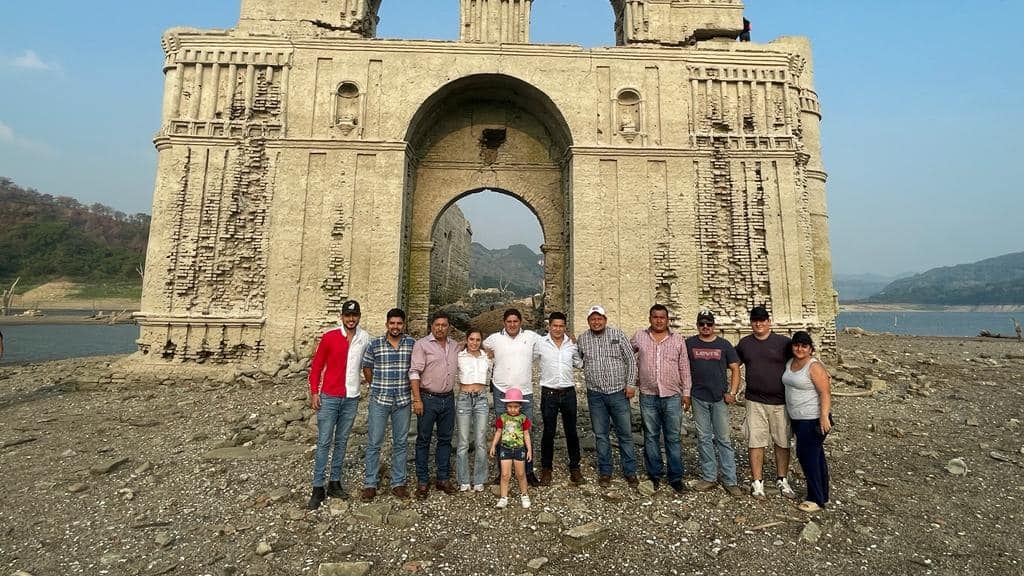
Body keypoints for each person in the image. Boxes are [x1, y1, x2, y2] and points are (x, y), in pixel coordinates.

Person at [305, 300, 370, 509]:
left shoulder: (365, 338)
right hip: (330, 396)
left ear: (359, 316)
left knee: (342, 441)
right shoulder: (330, 337)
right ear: (342, 317)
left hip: (351, 397)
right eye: (348, 316)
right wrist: (314, 392)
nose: (351, 319)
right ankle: (317, 487)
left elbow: (371, 362)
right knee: (324, 441)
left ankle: (334, 482)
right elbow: (316, 367)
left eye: (355, 316)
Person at [735, 306, 796, 499]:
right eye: (755, 320)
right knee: (755, 441)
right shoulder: (745, 344)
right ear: (751, 322)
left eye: (762, 320)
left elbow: (802, 361)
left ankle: (782, 478)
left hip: (781, 401)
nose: (759, 323)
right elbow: (732, 364)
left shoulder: (784, 343)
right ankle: (757, 481)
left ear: (769, 321)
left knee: (782, 440)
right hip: (755, 401)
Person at [631, 304, 691, 493]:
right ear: (650, 318)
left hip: (672, 395)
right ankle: (654, 475)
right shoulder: (639, 337)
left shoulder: (678, 339)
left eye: (662, 317)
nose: (658, 320)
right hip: (648, 395)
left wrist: (687, 393)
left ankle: (675, 477)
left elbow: (684, 367)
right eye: (655, 317)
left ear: (667, 320)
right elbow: (625, 354)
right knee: (650, 436)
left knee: (673, 438)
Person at [577, 305, 638, 488]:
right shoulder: (582, 339)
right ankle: (605, 472)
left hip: (619, 392)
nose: (596, 322)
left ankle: (630, 471)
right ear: (589, 321)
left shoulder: (618, 335)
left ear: (605, 319)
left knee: (625, 434)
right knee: (601, 435)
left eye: (599, 318)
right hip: (596, 394)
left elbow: (631, 360)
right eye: (593, 319)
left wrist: (630, 384)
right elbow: (578, 361)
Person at [685, 309, 744, 497]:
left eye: (708, 324)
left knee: (724, 439)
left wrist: (732, 392)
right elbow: (682, 368)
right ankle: (709, 477)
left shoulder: (724, 345)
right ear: (697, 325)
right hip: (698, 397)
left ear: (714, 326)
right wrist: (684, 393)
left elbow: (735, 369)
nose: (705, 327)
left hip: (719, 398)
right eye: (702, 324)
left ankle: (730, 480)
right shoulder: (690, 344)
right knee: (703, 438)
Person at [360, 308, 416, 502]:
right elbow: (367, 366)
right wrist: (374, 384)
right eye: (392, 323)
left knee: (400, 443)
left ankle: (398, 483)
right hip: (380, 400)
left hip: (402, 401)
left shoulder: (411, 344)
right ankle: (370, 483)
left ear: (404, 325)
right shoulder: (375, 344)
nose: (395, 327)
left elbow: (416, 368)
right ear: (387, 324)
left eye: (399, 323)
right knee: (374, 443)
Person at [483, 309, 541, 486]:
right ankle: (502, 472)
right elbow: (481, 345)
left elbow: (546, 345)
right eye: (509, 321)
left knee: (526, 431)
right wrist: (489, 354)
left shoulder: (531, 337)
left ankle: (528, 471)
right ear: (504, 322)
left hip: (524, 392)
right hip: (502, 392)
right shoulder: (494, 338)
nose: (512, 324)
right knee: (502, 431)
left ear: (521, 322)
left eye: (515, 321)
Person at [409, 311, 460, 499]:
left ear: (449, 327)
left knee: (445, 439)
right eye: (437, 325)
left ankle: (442, 478)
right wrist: (417, 399)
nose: (440, 328)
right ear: (432, 326)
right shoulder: (422, 345)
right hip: (428, 399)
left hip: (448, 398)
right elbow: (414, 372)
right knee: (423, 440)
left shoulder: (455, 346)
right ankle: (422, 481)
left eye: (444, 325)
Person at [783, 331, 833, 512]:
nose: (800, 349)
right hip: (797, 418)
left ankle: (815, 499)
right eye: (797, 345)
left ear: (810, 349)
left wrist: (824, 416)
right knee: (817, 457)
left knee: (807, 457)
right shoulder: (790, 362)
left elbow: (825, 392)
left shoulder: (814, 366)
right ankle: (823, 495)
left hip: (812, 419)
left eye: (804, 346)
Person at [534, 311, 584, 486]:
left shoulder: (571, 344)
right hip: (549, 394)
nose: (557, 329)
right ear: (549, 326)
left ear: (565, 327)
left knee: (571, 431)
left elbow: (579, 362)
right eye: (554, 325)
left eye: (561, 326)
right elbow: (527, 358)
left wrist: (581, 346)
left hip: (569, 392)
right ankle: (546, 469)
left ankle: (575, 467)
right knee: (548, 432)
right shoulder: (540, 344)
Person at [456, 328, 491, 492]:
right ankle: (463, 479)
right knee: (463, 442)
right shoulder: (459, 356)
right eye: (471, 339)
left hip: (481, 398)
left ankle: (479, 479)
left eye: (477, 340)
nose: (474, 343)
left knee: (481, 441)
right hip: (464, 398)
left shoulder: (486, 357)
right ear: (466, 340)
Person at [489, 388, 533, 509]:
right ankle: (503, 497)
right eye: (510, 406)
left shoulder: (523, 418)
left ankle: (524, 494)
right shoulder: (502, 418)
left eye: (515, 406)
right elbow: (498, 432)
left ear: (520, 406)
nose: (513, 409)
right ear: (506, 406)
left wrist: (529, 450)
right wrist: (493, 445)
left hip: (519, 449)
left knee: (521, 473)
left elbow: (526, 434)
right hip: (505, 449)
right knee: (505, 474)